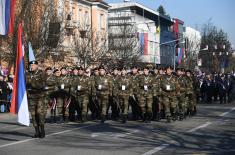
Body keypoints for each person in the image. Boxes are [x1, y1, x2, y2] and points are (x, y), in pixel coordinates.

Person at [26, 60, 47, 138]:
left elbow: (43, 84)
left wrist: (32, 84)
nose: (32, 67)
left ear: (37, 66)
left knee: (39, 113)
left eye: (34, 65)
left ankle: (42, 129)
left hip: (40, 96)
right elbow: (24, 83)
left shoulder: (42, 73)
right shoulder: (28, 74)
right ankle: (37, 131)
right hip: (31, 96)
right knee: (33, 114)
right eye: (31, 65)